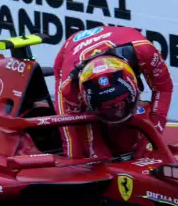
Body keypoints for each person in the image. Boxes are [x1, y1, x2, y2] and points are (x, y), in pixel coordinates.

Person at [53, 25, 172, 160]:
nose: (116, 113)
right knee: (74, 151)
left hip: (118, 40)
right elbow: (79, 124)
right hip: (69, 55)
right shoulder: (69, 88)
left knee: (142, 137)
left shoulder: (144, 51)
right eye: (108, 108)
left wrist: (151, 138)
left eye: (121, 103)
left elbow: (163, 88)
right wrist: (100, 158)